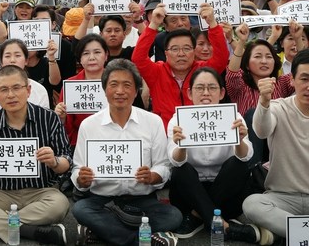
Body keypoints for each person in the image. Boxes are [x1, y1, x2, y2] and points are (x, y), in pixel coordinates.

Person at [71, 59, 182, 245]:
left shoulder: (152, 122)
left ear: (137, 90)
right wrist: (82, 179)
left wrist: (152, 176)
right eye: (113, 84)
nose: (120, 91)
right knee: (81, 209)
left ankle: (102, 233)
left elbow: (163, 166)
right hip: (103, 201)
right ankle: (142, 239)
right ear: (104, 89)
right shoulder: (89, 125)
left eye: (127, 85)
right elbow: (77, 170)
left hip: (142, 200)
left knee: (173, 216)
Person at [0, 65, 71, 246]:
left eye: (16, 88)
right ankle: (30, 230)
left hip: (41, 192)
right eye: (4, 90)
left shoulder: (49, 118)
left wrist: (55, 161)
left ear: (28, 90)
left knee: (60, 204)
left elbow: (67, 160)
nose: (10, 95)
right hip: (0, 193)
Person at [167, 67, 259, 242]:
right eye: (200, 88)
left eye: (212, 88)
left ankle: (198, 216)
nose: (206, 93)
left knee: (238, 164)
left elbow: (246, 157)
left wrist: (239, 139)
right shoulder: (177, 119)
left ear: (222, 92)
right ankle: (223, 226)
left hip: (226, 192)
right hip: (190, 192)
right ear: (189, 93)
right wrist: (182, 146)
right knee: (181, 170)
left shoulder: (234, 116)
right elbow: (174, 160)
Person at [242, 49, 309, 244]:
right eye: (304, 79)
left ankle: (286, 233)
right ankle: (301, 234)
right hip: (282, 197)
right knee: (252, 204)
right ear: (292, 80)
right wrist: (264, 101)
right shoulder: (279, 107)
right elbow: (261, 131)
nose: (308, 86)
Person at [132, 3, 230, 128]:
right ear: (166, 53)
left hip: (199, 133)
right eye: (175, 49)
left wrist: (212, 23)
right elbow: (138, 58)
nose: (181, 54)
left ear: (194, 51)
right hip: (166, 136)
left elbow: (221, 58)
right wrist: (154, 24)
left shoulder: (203, 71)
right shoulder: (157, 72)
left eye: (187, 48)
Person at [227, 22, 299, 116]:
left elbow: (303, 70)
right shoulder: (241, 86)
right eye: (257, 57)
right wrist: (241, 41)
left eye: (269, 57)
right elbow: (232, 73)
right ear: (247, 64)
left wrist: (297, 38)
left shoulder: (282, 83)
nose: (264, 61)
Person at [55, 34, 109, 150]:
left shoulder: (115, 82)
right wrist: (62, 117)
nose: (92, 57)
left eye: (97, 52)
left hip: (113, 141)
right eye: (86, 53)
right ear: (79, 58)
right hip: (80, 144)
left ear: (106, 56)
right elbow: (66, 127)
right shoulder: (71, 85)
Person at [0, 39, 50, 122]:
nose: (12, 60)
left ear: (26, 60)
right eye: (7, 56)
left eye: (17, 55)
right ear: (1, 62)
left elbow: (45, 123)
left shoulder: (39, 90)